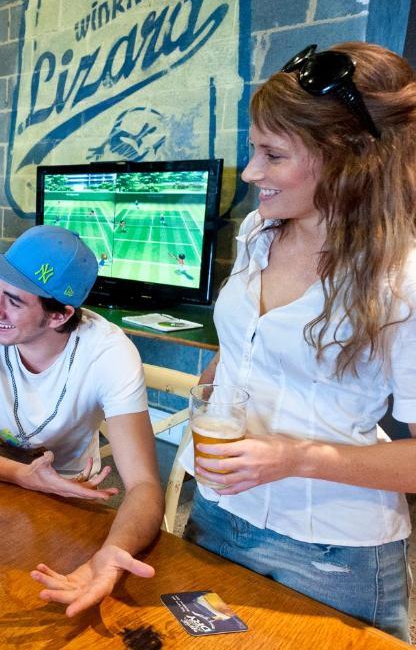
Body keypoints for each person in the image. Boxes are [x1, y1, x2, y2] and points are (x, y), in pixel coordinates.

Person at [181, 42, 416, 641]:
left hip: (329, 554)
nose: (252, 171)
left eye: (272, 154)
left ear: (348, 159)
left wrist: (295, 456)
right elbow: (242, 345)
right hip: (214, 512)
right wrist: (212, 392)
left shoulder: (403, 279)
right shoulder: (259, 229)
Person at [0, 225, 163, 617]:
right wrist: (19, 474)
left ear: (60, 314)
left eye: (13, 300)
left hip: (70, 499)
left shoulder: (109, 353)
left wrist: (112, 552)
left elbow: (145, 486)